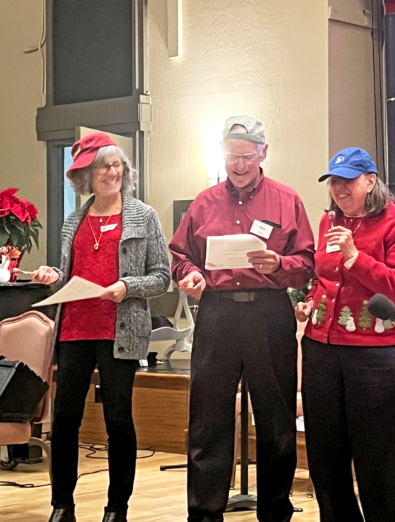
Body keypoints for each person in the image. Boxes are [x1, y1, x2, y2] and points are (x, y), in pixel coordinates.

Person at [169, 115, 315, 522]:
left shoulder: (288, 200)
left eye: (246, 156)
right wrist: (190, 275)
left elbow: (306, 263)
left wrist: (278, 263)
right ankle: (204, 512)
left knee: (276, 418)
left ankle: (274, 509)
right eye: (232, 156)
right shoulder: (204, 202)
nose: (238, 164)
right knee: (208, 417)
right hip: (217, 314)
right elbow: (180, 255)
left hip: (270, 312)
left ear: (263, 153)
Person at [32, 132, 171, 522]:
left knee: (118, 420)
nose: (112, 172)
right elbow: (67, 278)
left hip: (120, 332)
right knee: (64, 420)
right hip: (75, 329)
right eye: (102, 167)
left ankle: (116, 509)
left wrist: (128, 287)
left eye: (116, 165)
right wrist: (52, 276)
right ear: (85, 177)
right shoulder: (73, 221)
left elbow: (163, 277)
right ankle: (62, 505)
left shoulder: (144, 216)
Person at [294, 147, 395, 522]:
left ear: (370, 181)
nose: (339, 188)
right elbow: (325, 278)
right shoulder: (327, 221)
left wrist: (354, 257)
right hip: (322, 350)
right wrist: (311, 302)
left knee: (378, 459)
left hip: (376, 356)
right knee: (325, 457)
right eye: (334, 181)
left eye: (347, 180)